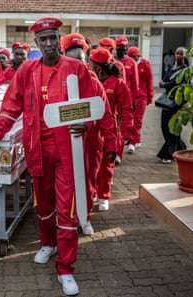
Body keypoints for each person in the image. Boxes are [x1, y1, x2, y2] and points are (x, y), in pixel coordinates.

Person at [0, 17, 101, 296]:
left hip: (68, 150)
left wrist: (87, 124)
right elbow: (10, 108)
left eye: (53, 37)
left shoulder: (77, 69)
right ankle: (48, 243)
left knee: (67, 209)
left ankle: (66, 269)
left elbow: (96, 105)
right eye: (43, 39)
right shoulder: (26, 71)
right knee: (44, 205)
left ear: (60, 39)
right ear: (36, 43)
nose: (48, 43)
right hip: (37, 150)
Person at [61, 33, 117, 225]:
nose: (78, 65)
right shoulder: (54, 80)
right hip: (62, 142)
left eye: (82, 60)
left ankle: (84, 219)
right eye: (73, 60)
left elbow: (106, 115)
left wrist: (112, 144)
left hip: (91, 143)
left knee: (87, 183)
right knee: (65, 184)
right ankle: (64, 219)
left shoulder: (93, 81)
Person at [89, 47, 133, 212]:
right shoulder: (90, 81)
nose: (88, 65)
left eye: (91, 63)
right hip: (91, 129)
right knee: (91, 165)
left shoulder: (118, 84)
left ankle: (103, 195)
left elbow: (127, 110)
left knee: (107, 164)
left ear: (98, 66)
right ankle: (92, 192)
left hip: (110, 129)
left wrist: (128, 132)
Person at [157, 47, 188, 163]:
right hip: (167, 100)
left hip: (177, 102)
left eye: (181, 54)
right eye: (177, 53)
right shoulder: (170, 68)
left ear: (185, 56)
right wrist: (165, 84)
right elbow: (165, 80)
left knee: (173, 129)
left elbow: (175, 83)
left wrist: (165, 84)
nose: (178, 56)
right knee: (164, 127)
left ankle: (169, 154)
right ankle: (182, 149)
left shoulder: (185, 70)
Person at [127, 46, 154, 150]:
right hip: (130, 97)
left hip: (142, 96)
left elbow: (150, 81)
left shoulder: (145, 64)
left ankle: (133, 142)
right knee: (130, 119)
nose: (133, 59)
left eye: (135, 57)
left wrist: (150, 98)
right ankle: (136, 138)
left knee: (137, 119)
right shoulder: (128, 64)